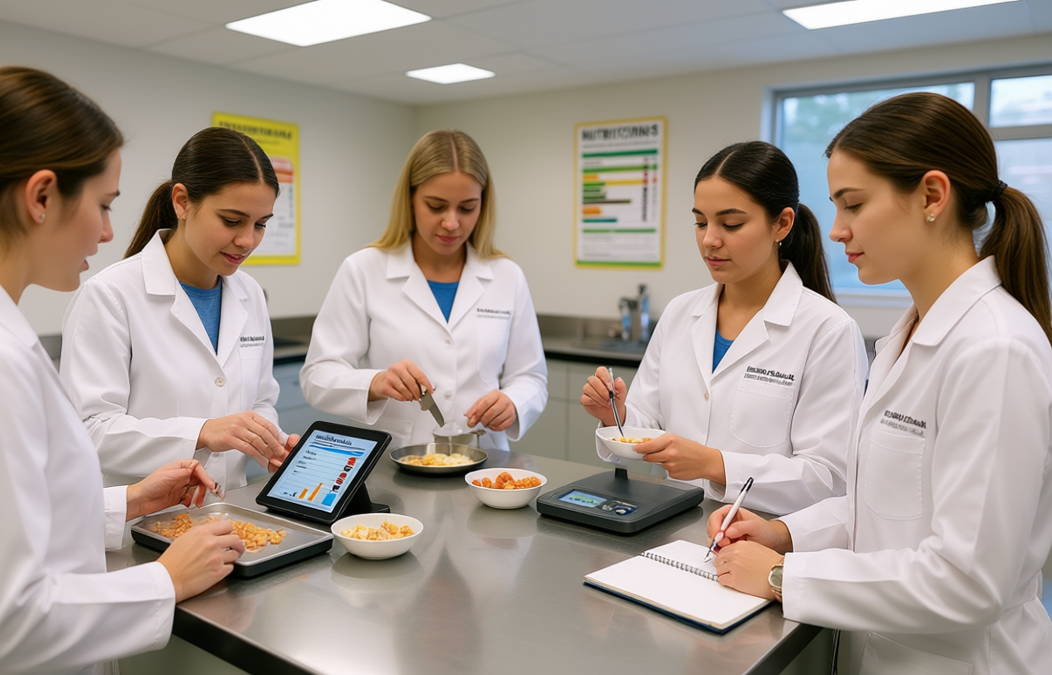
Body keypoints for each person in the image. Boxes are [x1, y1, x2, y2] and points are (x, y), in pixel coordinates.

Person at [0, 67, 246, 675]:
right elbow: (8, 624)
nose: (109, 231)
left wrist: (126, 502)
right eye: (103, 205)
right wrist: (165, 581)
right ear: (40, 197)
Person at [707, 93, 1052, 673]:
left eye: (854, 204)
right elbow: (882, 510)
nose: (837, 230)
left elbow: (969, 581)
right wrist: (782, 532)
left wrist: (782, 576)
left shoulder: (996, 349)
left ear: (932, 196)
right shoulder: (908, 336)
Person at [581, 141, 868, 515]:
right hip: (670, 523)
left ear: (782, 223)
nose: (709, 240)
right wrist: (616, 416)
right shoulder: (681, 312)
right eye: (701, 222)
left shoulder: (827, 330)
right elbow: (648, 424)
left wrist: (714, 464)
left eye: (731, 224)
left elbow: (828, 479)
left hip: (763, 537)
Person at [60, 127, 298, 490]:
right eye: (232, 221)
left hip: (226, 510)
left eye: (261, 224)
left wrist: (268, 442)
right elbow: (88, 429)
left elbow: (261, 399)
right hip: (140, 518)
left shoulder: (249, 293)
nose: (247, 240)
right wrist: (201, 432)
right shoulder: (111, 295)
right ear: (182, 202)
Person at [300, 129, 547, 450]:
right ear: (411, 200)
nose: (451, 223)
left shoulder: (506, 276)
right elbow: (317, 376)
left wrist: (514, 402)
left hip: (484, 460)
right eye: (436, 206)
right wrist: (375, 382)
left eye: (467, 208)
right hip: (396, 460)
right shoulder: (364, 269)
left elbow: (531, 377)